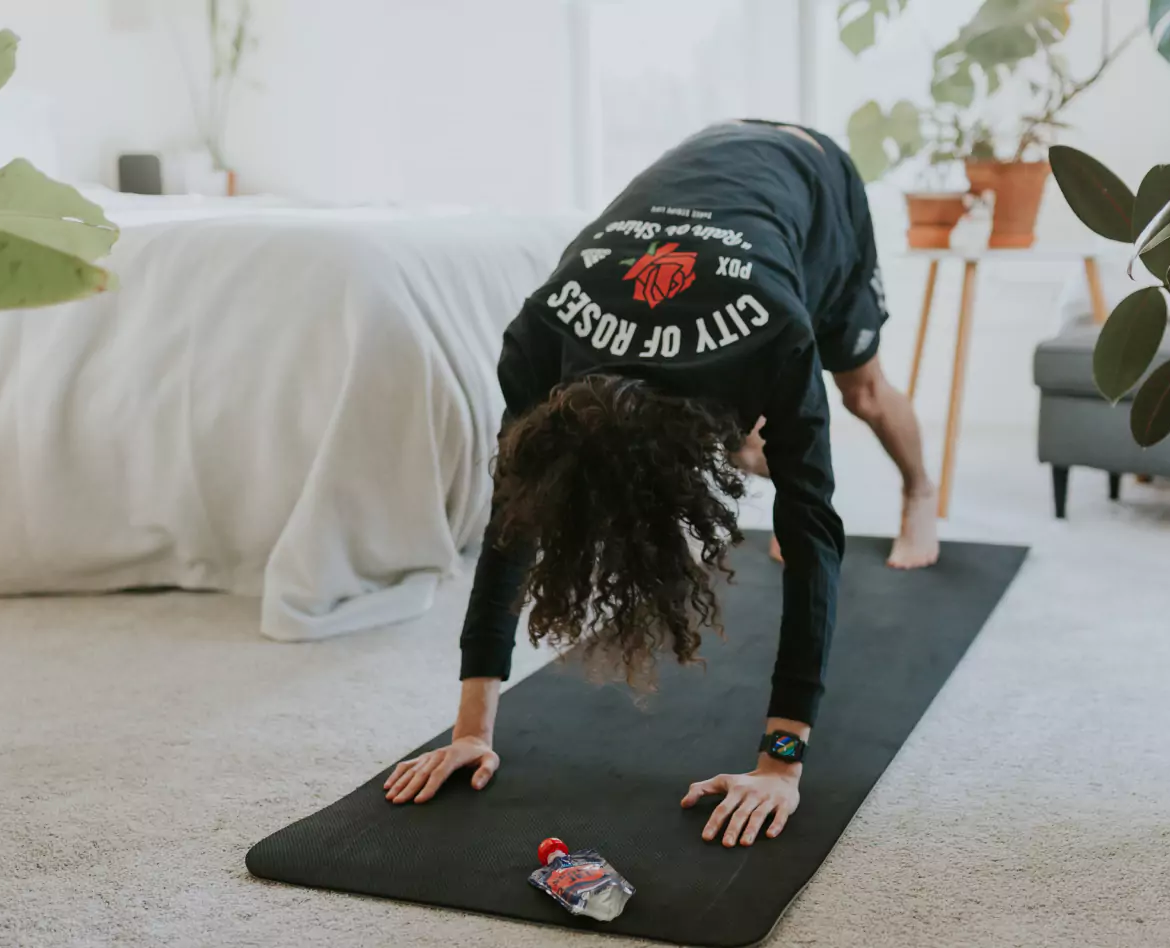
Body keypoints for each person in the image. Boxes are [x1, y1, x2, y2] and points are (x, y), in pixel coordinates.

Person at [382, 120, 939, 847]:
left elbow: (813, 534)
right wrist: (471, 729)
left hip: (810, 176)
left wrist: (782, 764)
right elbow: (511, 522)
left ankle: (920, 490)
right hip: (707, 176)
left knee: (862, 392)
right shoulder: (541, 331)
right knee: (753, 440)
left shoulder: (776, 333)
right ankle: (748, 443)